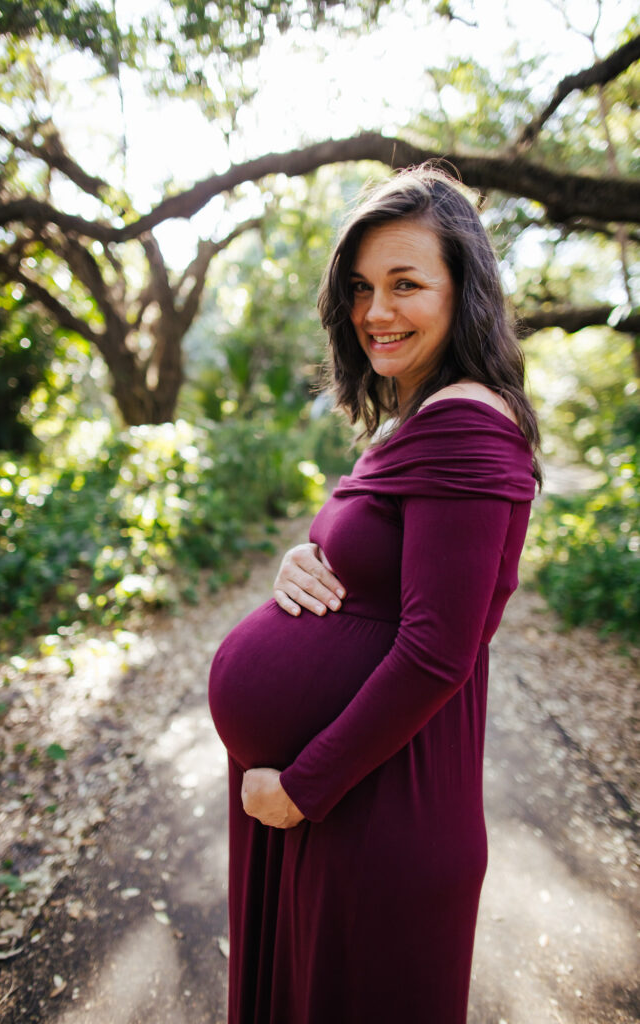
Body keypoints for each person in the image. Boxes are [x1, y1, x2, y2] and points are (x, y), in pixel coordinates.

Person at [208, 164, 540, 1024]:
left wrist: (303, 787)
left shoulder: (467, 419)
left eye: (405, 284)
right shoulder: (415, 417)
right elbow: (384, 570)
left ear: (461, 292)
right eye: (360, 288)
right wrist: (304, 555)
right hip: (346, 796)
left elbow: (438, 652)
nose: (375, 312)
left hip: (376, 805)